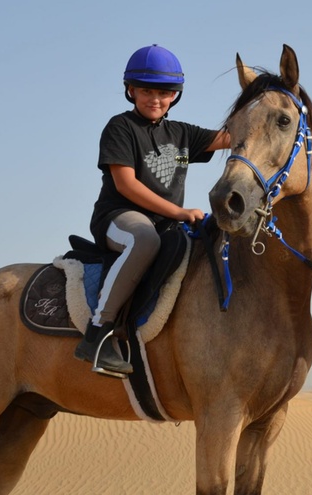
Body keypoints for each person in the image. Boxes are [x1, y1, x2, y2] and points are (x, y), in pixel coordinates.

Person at [74, 44, 230, 377]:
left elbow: (229, 139)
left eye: (164, 92)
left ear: (175, 95)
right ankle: (97, 334)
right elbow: (126, 185)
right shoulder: (120, 128)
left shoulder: (182, 139)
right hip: (121, 218)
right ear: (131, 90)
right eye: (146, 90)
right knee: (145, 241)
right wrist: (179, 212)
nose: (155, 99)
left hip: (168, 225)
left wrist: (266, 110)